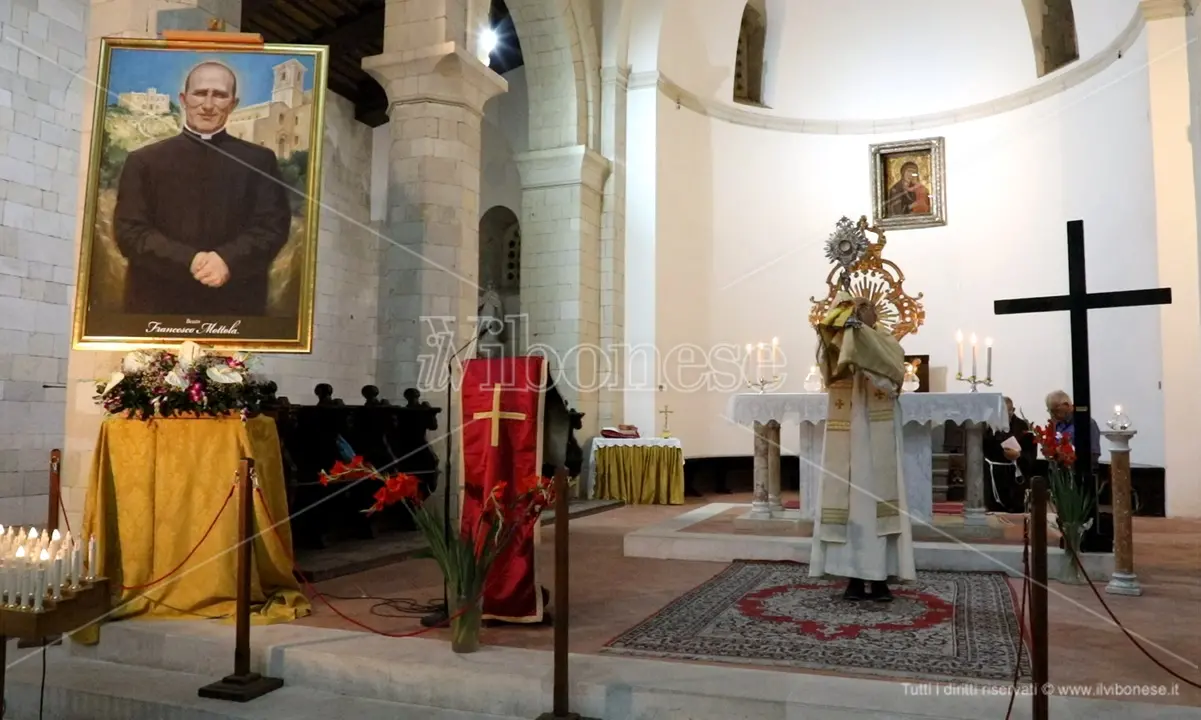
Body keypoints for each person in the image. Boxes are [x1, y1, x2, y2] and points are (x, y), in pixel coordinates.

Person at [113, 60, 293, 317]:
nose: (208, 105)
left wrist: (228, 259)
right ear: (184, 99)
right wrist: (190, 260)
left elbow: (272, 227)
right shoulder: (144, 161)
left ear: (233, 104)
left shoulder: (260, 161)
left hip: (235, 307)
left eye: (219, 95)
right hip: (156, 305)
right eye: (200, 93)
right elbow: (130, 232)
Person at [810, 291, 915, 602]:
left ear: (875, 316)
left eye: (866, 311)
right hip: (847, 434)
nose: (862, 315)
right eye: (857, 312)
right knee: (849, 506)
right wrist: (839, 334)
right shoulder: (843, 341)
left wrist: (862, 345)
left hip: (877, 435)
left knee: (875, 508)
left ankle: (881, 577)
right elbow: (828, 366)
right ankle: (852, 577)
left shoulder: (886, 342)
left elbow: (892, 379)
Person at [983, 396, 1036, 513]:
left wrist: (1018, 456)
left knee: (1016, 509)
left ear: (1013, 410)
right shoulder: (989, 427)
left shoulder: (1023, 427)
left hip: (1014, 475)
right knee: (993, 509)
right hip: (994, 474)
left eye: (1007, 412)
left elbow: (1031, 453)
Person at [1045, 389, 1101, 464]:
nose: (1052, 415)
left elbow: (1093, 454)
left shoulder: (1087, 423)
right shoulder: (1057, 424)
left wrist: (1069, 458)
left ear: (1066, 405)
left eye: (1054, 410)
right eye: (1050, 411)